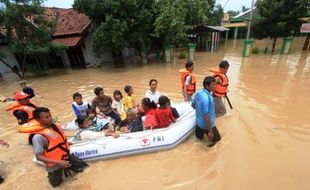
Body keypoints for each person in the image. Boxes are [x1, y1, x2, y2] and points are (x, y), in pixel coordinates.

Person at [30, 107, 87, 187]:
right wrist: (58, 162)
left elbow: (58, 141)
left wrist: (65, 143)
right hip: (54, 164)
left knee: (85, 168)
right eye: (46, 117)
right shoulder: (38, 137)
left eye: (50, 116)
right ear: (38, 120)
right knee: (57, 185)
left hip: (66, 157)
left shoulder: (55, 127)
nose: (50, 119)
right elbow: (39, 156)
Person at [191, 76, 221, 147]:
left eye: (215, 84)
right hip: (207, 126)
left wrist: (200, 113)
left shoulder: (198, 93)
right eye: (213, 85)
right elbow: (206, 115)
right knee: (217, 141)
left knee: (199, 140)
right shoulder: (208, 98)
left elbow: (193, 105)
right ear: (207, 86)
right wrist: (210, 131)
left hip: (198, 124)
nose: (215, 86)